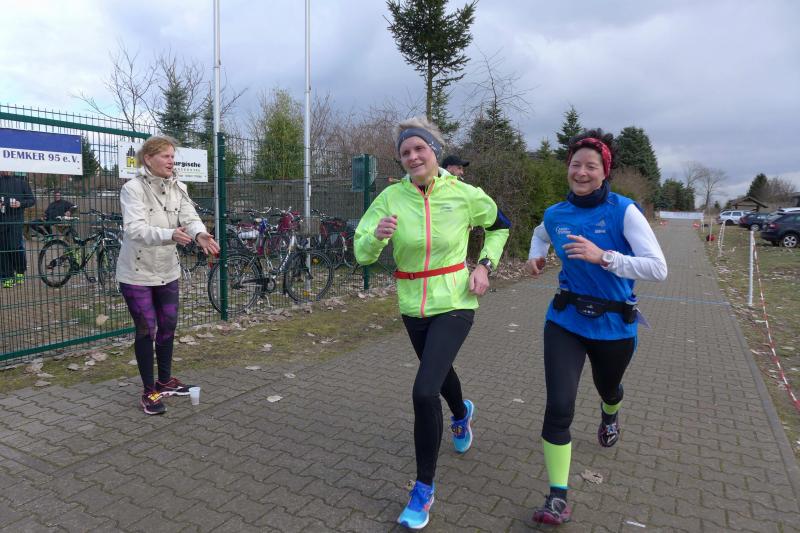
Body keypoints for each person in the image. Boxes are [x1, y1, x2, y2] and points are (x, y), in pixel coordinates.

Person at [354, 116, 510, 529]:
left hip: (456, 300)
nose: (413, 157)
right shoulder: (390, 198)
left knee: (424, 391)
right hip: (412, 304)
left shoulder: (463, 194)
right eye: (405, 152)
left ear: (434, 152)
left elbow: (500, 226)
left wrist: (485, 265)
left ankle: (423, 490)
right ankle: (461, 412)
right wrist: (376, 236)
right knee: (439, 374)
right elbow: (362, 253)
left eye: (419, 148)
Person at [525, 129, 667, 525]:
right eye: (575, 165)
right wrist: (536, 256)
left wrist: (604, 257)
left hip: (614, 326)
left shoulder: (624, 211)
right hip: (565, 321)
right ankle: (557, 497)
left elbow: (658, 268)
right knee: (559, 406)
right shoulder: (556, 214)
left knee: (609, 387)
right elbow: (539, 234)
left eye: (591, 166)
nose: (582, 172)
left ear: (605, 172)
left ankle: (610, 412)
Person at [116, 135, 220, 415]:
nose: (171, 161)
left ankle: (164, 381)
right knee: (146, 329)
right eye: (165, 156)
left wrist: (199, 233)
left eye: (173, 156)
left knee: (168, 326)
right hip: (136, 273)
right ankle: (149, 391)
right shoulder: (132, 189)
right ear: (148, 159)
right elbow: (134, 229)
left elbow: (190, 217)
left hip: (167, 270)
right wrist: (169, 234)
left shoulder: (179, 187)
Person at [0, 172, 35, 288]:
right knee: (3, 249)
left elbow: (32, 200)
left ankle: (20, 270)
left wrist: (21, 203)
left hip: (16, 220)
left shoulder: (21, 183)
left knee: (14, 246)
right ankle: (7, 277)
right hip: (1, 220)